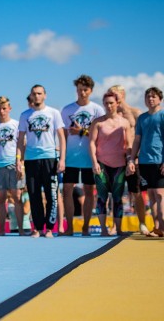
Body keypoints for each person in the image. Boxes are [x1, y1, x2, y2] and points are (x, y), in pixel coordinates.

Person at [16, 85, 66, 238]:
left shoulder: (53, 113)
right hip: (31, 159)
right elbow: (20, 140)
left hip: (50, 158)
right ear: (31, 96)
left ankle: (50, 228)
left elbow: (62, 138)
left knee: (51, 195)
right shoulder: (25, 115)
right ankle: (37, 227)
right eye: (34, 94)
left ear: (44, 95)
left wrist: (62, 159)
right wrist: (19, 160)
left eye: (39, 93)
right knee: (34, 194)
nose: (36, 96)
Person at [60, 75, 105, 236]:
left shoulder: (97, 110)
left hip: (89, 157)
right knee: (67, 190)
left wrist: (82, 131)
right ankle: (70, 227)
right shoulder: (67, 110)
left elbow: (101, 136)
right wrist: (62, 157)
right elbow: (63, 136)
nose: (82, 93)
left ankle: (86, 227)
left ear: (91, 91)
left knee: (89, 190)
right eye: (79, 90)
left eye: (85, 90)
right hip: (71, 157)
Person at [89, 91, 132, 236]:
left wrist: (130, 161)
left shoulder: (124, 122)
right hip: (101, 164)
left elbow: (129, 144)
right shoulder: (98, 122)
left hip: (119, 165)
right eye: (106, 103)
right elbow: (92, 143)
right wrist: (94, 162)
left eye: (111, 103)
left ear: (117, 104)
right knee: (102, 197)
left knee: (118, 198)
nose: (108, 106)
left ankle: (118, 228)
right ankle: (103, 229)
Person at [109, 84, 150, 235]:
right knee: (116, 193)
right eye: (111, 94)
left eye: (116, 94)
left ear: (123, 95)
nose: (114, 97)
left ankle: (142, 223)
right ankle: (115, 224)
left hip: (133, 158)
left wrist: (136, 157)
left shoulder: (134, 112)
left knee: (137, 192)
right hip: (116, 158)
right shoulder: (110, 114)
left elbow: (137, 130)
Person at [128, 87, 164, 237]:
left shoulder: (162, 115)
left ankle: (162, 226)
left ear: (160, 99)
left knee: (160, 194)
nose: (150, 99)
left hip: (160, 160)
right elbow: (137, 140)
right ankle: (156, 227)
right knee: (150, 194)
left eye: (154, 97)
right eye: (148, 97)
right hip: (144, 161)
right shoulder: (142, 118)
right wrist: (132, 158)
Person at [0, 96, 23, 236]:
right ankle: (1, 229)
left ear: (9, 109)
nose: (2, 111)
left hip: (13, 163)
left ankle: (20, 230)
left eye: (4, 108)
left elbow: (21, 145)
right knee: (0, 198)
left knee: (17, 197)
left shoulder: (17, 125)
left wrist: (21, 162)